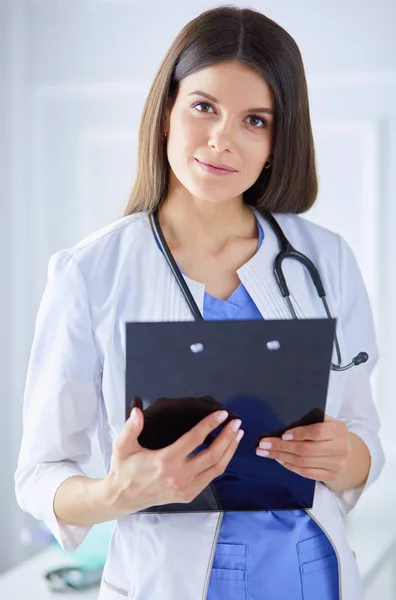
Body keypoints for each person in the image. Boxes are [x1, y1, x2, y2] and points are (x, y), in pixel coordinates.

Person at [15, 6, 385, 600]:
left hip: (308, 575)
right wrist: (119, 492)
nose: (222, 139)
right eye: (204, 106)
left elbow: (365, 439)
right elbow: (38, 475)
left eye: (255, 120)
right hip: (168, 582)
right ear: (166, 114)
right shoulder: (90, 272)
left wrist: (346, 457)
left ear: (277, 140)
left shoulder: (325, 258)